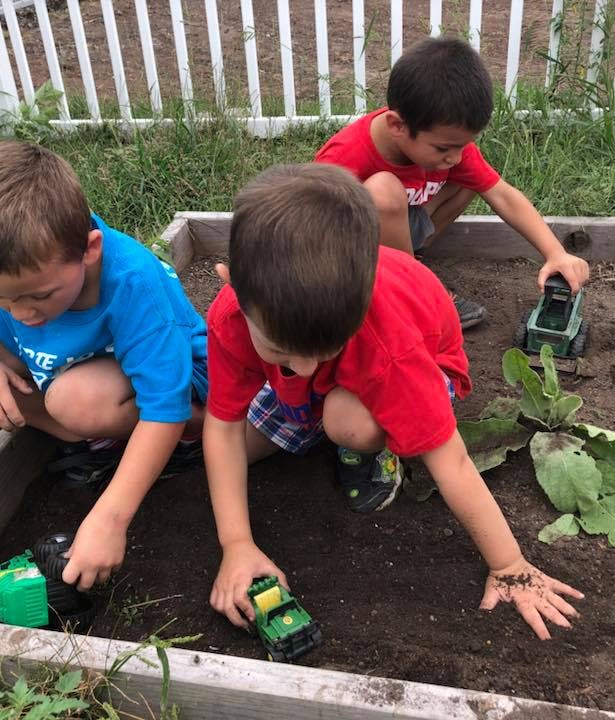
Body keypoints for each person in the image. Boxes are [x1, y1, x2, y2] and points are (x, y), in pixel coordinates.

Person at [203, 163, 583, 640]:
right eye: (280, 351)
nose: (300, 367)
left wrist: (510, 566)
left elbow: (453, 462)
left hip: (417, 363)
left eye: (323, 351)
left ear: (361, 301)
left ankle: (369, 456)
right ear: (231, 284)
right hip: (342, 372)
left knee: (348, 421)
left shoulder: (390, 347)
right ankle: (318, 403)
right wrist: (236, 544)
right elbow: (221, 424)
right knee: (228, 446)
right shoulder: (232, 317)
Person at [0, 140, 207, 591]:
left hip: (179, 381)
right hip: (70, 377)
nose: (20, 313)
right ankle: (89, 437)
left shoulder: (131, 282)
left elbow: (164, 404)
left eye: (40, 295)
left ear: (89, 249)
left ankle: (185, 438)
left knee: (76, 401)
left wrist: (110, 516)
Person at [315, 34, 590, 329]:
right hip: (354, 251)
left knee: (472, 179)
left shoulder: (447, 146)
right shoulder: (345, 157)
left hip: (405, 224)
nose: (456, 157)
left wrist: (556, 253)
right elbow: (304, 227)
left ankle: (411, 263)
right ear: (397, 125)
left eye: (462, 145)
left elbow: (502, 195)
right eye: (444, 148)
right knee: (383, 191)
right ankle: (410, 293)